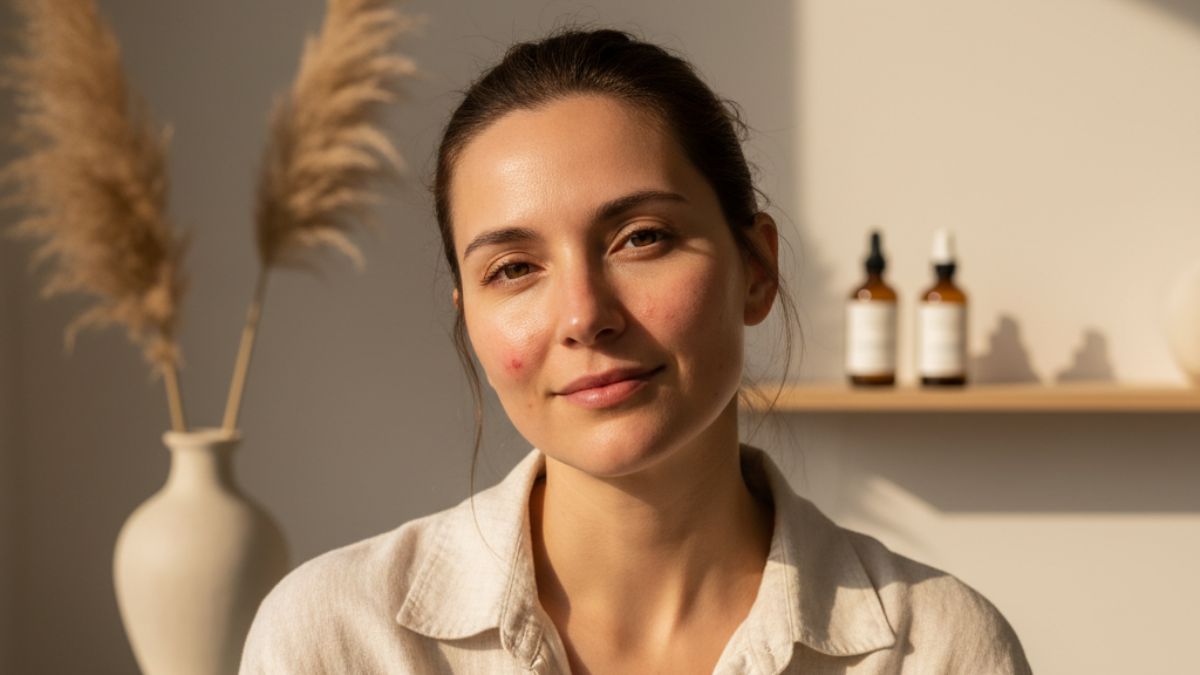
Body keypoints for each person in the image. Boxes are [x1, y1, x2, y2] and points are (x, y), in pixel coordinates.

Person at [240, 27, 1032, 674]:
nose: (585, 315)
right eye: (513, 268)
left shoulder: (936, 647)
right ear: (470, 323)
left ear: (756, 270)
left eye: (640, 238)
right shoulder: (339, 638)